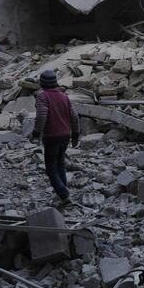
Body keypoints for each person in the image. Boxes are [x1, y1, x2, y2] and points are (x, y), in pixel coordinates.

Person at [32, 69, 80, 203]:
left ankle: (64, 194)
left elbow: (42, 116)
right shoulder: (64, 96)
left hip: (52, 136)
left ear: (42, 84)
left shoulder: (43, 96)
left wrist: (36, 133)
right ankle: (62, 191)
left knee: (51, 167)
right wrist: (75, 135)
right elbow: (74, 116)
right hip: (65, 135)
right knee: (60, 164)